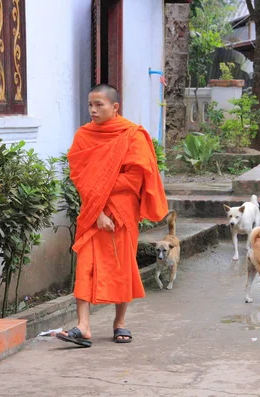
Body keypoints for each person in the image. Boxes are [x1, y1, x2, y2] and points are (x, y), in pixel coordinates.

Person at [56, 84, 168, 347]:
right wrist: (97, 211)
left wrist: (103, 198)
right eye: (90, 105)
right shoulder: (84, 136)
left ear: (115, 107)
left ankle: (120, 322)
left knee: (122, 265)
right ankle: (83, 326)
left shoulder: (132, 135)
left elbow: (134, 177)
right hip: (93, 211)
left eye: (99, 105)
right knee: (86, 266)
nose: (93, 110)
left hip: (121, 212)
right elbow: (81, 177)